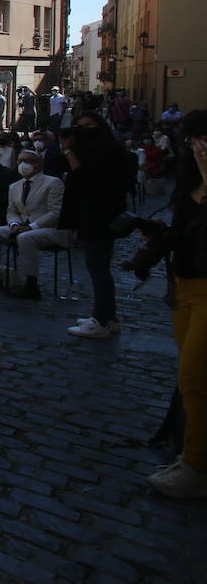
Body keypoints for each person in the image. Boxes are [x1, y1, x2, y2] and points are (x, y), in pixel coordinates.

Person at [143, 113, 207, 498]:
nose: (199, 147)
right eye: (194, 140)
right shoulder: (189, 185)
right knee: (191, 380)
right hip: (184, 286)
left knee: (194, 376)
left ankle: (196, 465)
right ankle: (192, 453)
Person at [61, 113, 133, 337]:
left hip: (100, 216)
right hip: (95, 214)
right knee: (98, 268)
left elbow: (84, 177)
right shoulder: (97, 148)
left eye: (89, 126)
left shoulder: (106, 150)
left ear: (100, 126)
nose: (83, 130)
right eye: (80, 126)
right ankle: (107, 317)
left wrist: (69, 151)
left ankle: (101, 320)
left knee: (98, 268)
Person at [0, 151, 70, 297]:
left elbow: (55, 213)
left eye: (27, 161)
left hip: (48, 228)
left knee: (25, 238)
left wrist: (31, 227)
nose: (22, 165)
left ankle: (31, 284)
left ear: (38, 165)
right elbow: (12, 210)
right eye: (20, 161)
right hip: (22, 226)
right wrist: (14, 224)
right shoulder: (14, 186)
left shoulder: (53, 183)